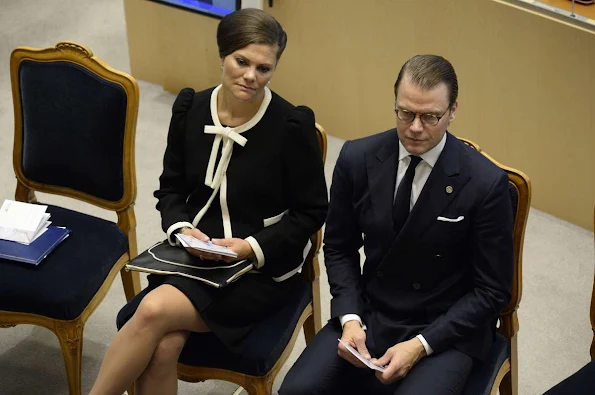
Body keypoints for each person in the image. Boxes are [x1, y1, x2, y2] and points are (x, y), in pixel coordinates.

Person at [90, 8, 328, 395]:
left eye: (264, 68)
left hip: (258, 273)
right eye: (242, 61)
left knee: (151, 311)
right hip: (195, 259)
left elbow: (312, 212)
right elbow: (170, 190)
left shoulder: (290, 127)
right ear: (223, 56)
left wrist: (249, 248)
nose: (251, 76)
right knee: (164, 348)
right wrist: (183, 230)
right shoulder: (191, 109)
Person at [280, 55, 514, 394]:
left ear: (453, 111)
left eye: (431, 116)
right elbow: (340, 248)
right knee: (296, 391)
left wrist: (421, 344)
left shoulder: (486, 183)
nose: (416, 128)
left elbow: (492, 291)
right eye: (406, 113)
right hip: (373, 311)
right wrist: (349, 318)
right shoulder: (357, 158)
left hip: (444, 328)